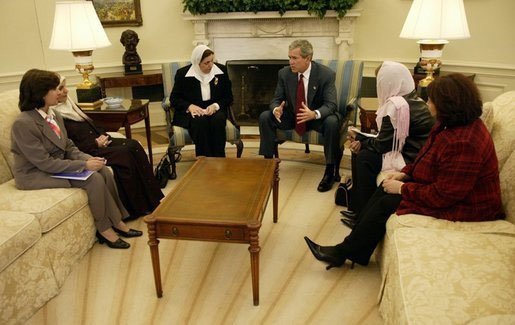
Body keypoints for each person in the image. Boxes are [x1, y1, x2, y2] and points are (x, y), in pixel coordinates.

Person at [305, 73, 504, 269]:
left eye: (431, 100)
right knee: (385, 187)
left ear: (448, 105)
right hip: (451, 191)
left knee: (390, 199)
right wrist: (405, 173)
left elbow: (444, 196)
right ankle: (349, 249)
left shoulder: (464, 142)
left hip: (471, 206)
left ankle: (343, 252)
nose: (427, 104)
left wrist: (402, 189)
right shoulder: (448, 125)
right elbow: (427, 156)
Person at [11, 69, 142, 249]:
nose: (59, 92)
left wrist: (91, 159)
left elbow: (69, 147)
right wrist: (84, 165)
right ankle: (104, 230)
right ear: (40, 93)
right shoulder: (23, 123)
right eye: (54, 89)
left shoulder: (54, 115)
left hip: (53, 166)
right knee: (93, 179)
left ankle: (117, 221)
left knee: (103, 169)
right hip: (34, 174)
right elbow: (44, 163)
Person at [53, 76, 164, 219]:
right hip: (87, 150)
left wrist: (103, 136)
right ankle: (134, 209)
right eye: (61, 88)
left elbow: (90, 124)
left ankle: (153, 199)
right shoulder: (54, 115)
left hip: (98, 142)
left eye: (65, 86)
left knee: (133, 145)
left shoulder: (70, 105)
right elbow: (67, 145)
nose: (66, 90)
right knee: (123, 154)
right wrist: (95, 143)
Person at [341, 61, 434, 227]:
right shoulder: (413, 99)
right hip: (410, 152)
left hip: (409, 159)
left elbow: (381, 145)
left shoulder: (396, 106)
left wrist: (360, 139)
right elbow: (387, 138)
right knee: (360, 152)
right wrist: (362, 140)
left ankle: (362, 215)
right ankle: (357, 209)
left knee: (364, 157)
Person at [258, 39, 340, 192]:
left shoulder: (326, 74)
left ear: (307, 58)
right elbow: (276, 99)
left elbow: (331, 105)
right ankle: (268, 164)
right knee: (265, 116)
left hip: (316, 118)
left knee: (332, 122)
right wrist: (276, 108)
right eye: (289, 57)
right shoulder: (284, 73)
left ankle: (330, 171)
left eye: (294, 58)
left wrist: (314, 114)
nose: (291, 62)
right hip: (292, 116)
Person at [170, 44, 233, 157]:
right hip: (194, 110)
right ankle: (204, 161)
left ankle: (219, 159)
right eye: (206, 63)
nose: (210, 65)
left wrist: (216, 106)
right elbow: (174, 99)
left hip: (214, 108)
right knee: (200, 122)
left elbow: (228, 96)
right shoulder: (183, 74)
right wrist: (190, 106)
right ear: (197, 62)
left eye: (212, 61)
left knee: (218, 120)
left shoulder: (221, 71)